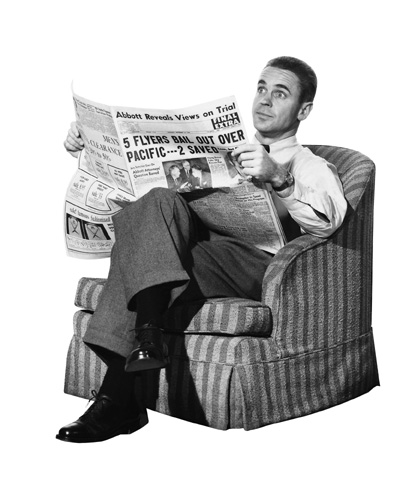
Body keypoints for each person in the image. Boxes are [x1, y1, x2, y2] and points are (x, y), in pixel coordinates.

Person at [57, 56, 347, 443]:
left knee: (142, 256)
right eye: (261, 88)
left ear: (303, 109)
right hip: (200, 252)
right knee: (157, 200)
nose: (264, 99)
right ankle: (146, 341)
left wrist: (278, 176)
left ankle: (117, 399)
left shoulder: (310, 164)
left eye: (280, 93)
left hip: (257, 265)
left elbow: (328, 221)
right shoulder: (228, 148)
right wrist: (91, 147)